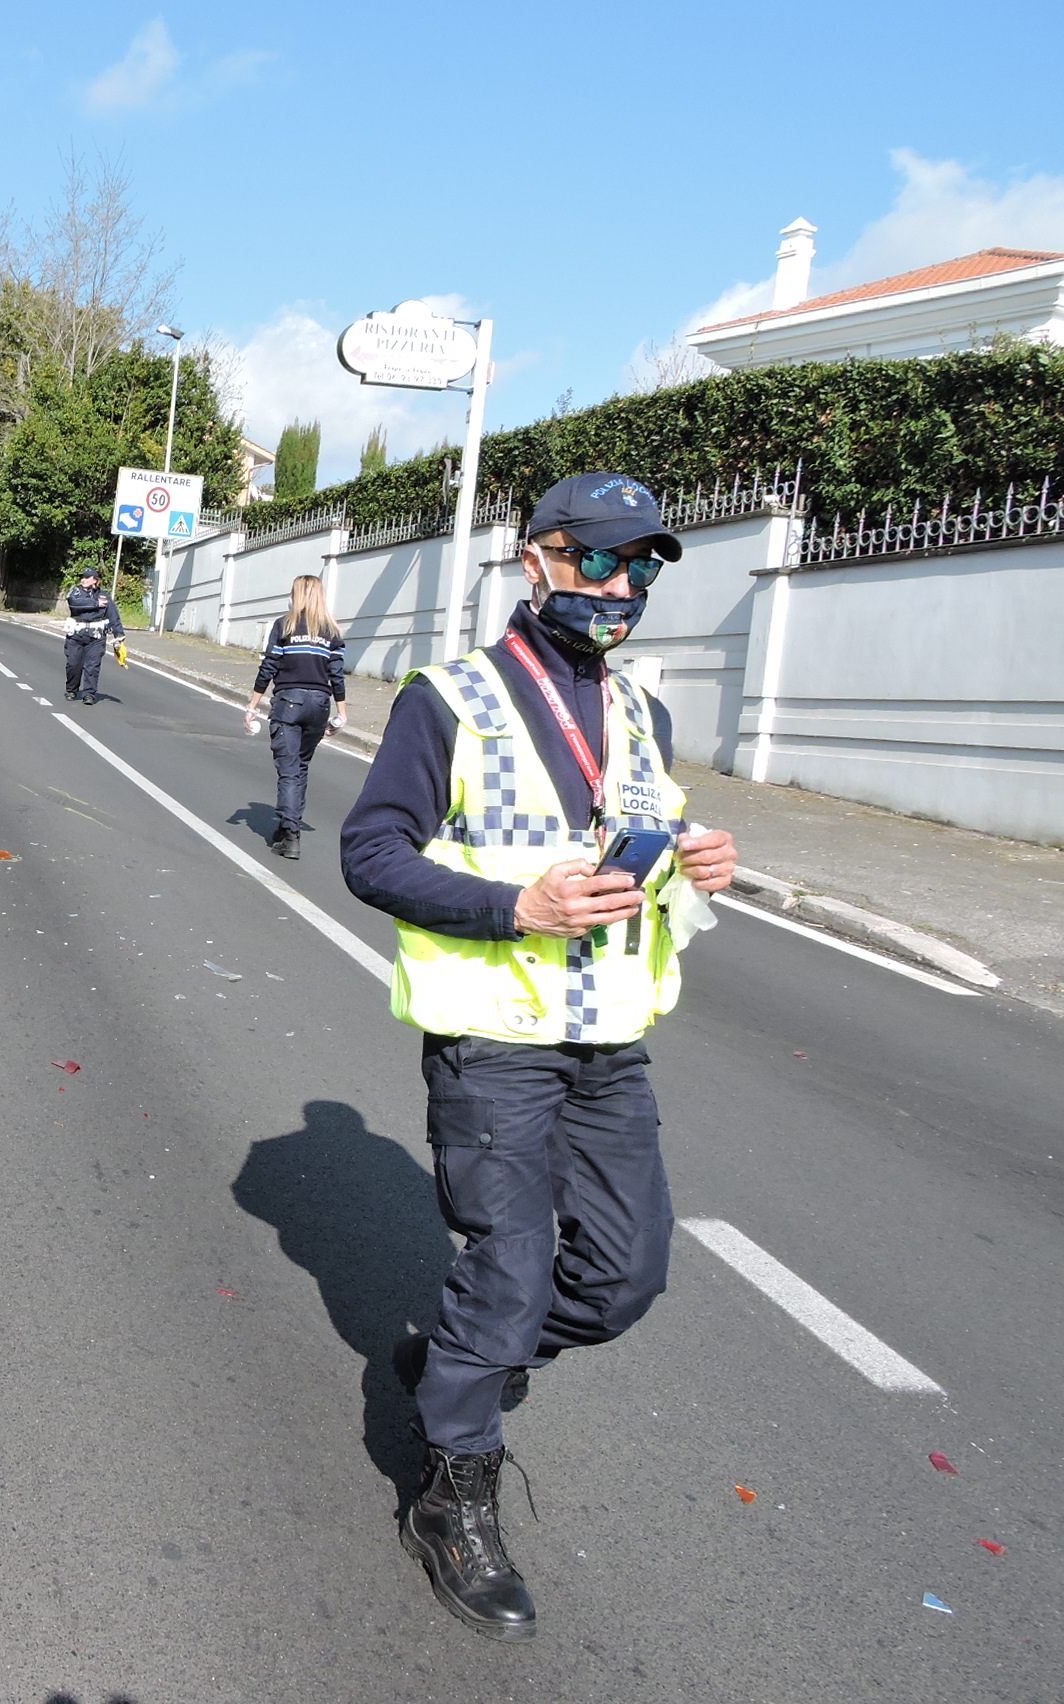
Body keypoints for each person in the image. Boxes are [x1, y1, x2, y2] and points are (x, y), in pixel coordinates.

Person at [337, 472, 739, 1642]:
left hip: (610, 1041)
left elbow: (630, 845)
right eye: (602, 560)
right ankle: (452, 1492)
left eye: (644, 566)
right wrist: (516, 905)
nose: (623, 587)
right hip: (495, 1044)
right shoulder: (448, 699)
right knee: (507, 1267)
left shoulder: (638, 711)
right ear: (537, 560)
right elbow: (370, 853)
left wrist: (694, 860)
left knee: (624, 1279)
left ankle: (466, 1356)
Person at [244, 574, 348, 858]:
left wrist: (253, 704)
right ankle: (287, 826)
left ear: (297, 595)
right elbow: (336, 674)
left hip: (289, 701)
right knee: (301, 766)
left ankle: (291, 835)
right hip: (319, 704)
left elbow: (269, 666)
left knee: (288, 769)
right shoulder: (332, 631)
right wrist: (341, 713)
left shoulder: (285, 625)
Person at [62, 568, 124, 704]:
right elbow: (74, 603)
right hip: (76, 635)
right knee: (73, 664)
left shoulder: (104, 596)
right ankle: (72, 690)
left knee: (92, 666)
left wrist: (119, 634)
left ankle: (89, 694)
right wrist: (95, 604)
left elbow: (113, 615)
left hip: (96, 637)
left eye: (87, 577)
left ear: (95, 580)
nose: (83, 579)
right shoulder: (75, 592)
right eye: (83, 577)